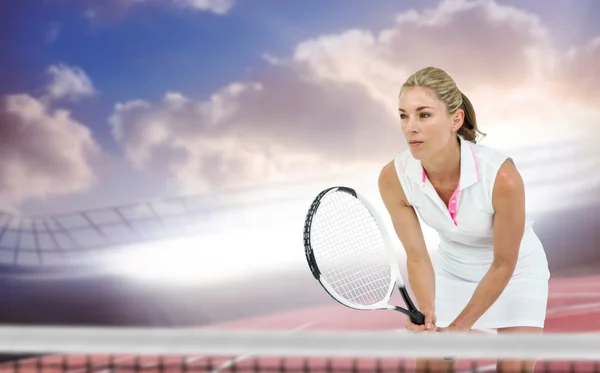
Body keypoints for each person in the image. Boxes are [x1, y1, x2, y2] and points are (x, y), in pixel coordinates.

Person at [377, 66, 550, 373]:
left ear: (455, 119)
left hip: (516, 273)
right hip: (452, 271)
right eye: (403, 115)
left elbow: (503, 264)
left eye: (424, 115)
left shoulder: (501, 177)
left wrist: (460, 327)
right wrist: (428, 312)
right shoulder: (394, 178)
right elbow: (417, 257)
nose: (410, 127)